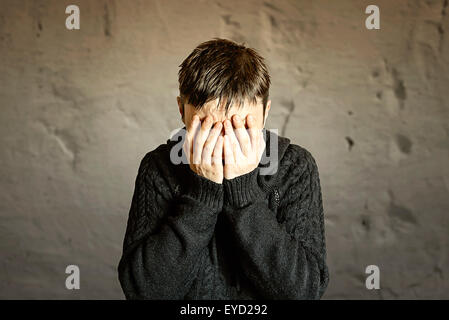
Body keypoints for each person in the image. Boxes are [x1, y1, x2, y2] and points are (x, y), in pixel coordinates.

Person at [117, 38, 329, 299]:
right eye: (208, 128)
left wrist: (245, 197)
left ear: (265, 113)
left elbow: (303, 293)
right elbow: (143, 292)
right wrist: (201, 195)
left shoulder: (294, 166)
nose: (224, 143)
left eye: (241, 129)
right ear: (182, 111)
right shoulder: (159, 167)